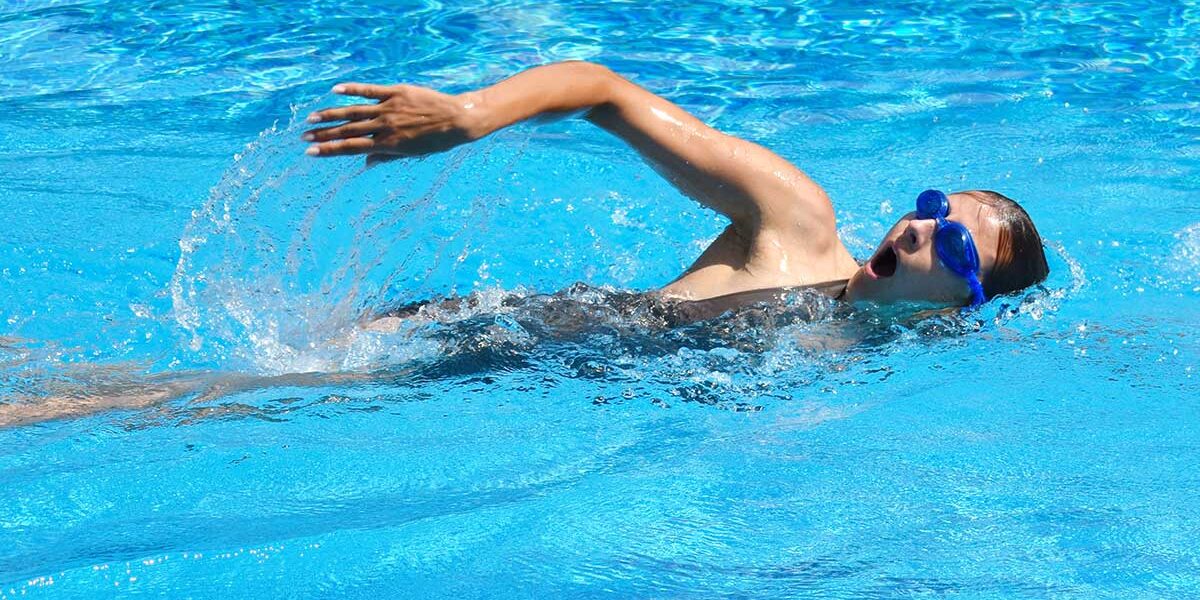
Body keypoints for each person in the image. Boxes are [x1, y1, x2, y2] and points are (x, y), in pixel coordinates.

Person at [301, 61, 1048, 321]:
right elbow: (602, 91)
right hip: (489, 339)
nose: (920, 229)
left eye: (952, 241)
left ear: (963, 305)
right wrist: (470, 115)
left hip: (505, 404)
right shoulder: (795, 223)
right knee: (225, 398)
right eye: (931, 208)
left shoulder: (869, 373)